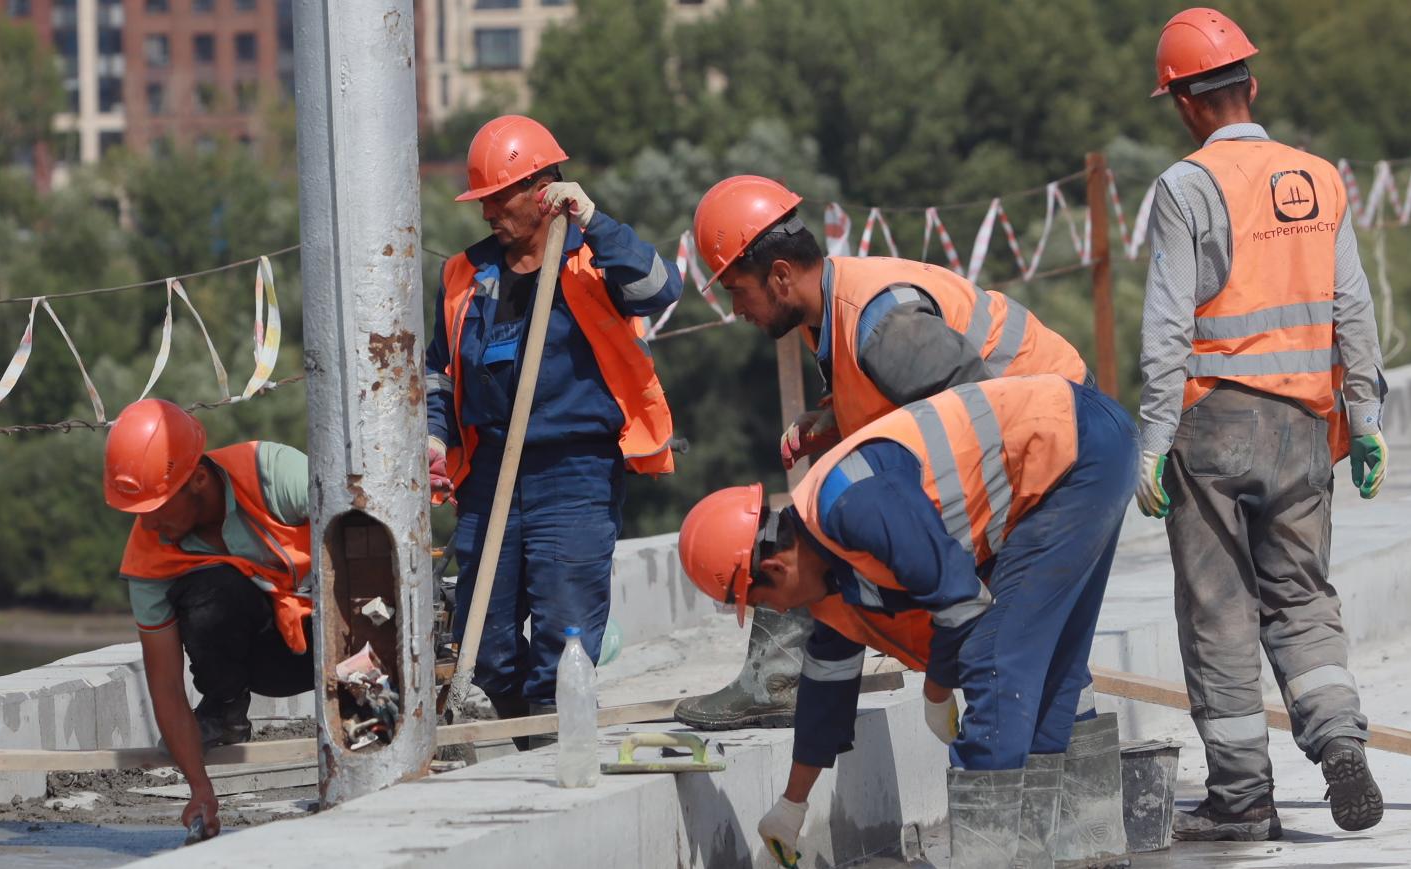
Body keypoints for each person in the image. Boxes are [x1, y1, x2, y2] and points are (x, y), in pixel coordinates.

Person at [673, 175, 1092, 733]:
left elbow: (974, 417)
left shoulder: (881, 326)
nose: (737, 310)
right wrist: (834, 418)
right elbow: (902, 401)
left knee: (1006, 623)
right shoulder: (824, 312)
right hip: (1039, 433)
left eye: (737, 291)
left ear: (778, 277)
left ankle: (786, 679)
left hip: (1056, 441)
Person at [680, 375, 1136, 868]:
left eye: (764, 602)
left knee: (996, 661)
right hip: (1084, 453)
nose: (781, 613)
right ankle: (1088, 850)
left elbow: (962, 603)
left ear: (774, 567)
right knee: (1053, 668)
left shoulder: (853, 507)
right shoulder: (826, 566)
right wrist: (792, 806)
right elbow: (824, 693)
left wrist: (937, 691)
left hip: (1069, 451)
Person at [1134, 7, 1391, 842]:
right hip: (1303, 426)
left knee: (1218, 608)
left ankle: (1241, 798)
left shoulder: (1183, 186)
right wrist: (1365, 414)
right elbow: (1351, 305)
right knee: (1301, 595)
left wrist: (1150, 441)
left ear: (1181, 105)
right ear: (1252, 85)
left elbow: (1167, 325)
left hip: (1211, 422)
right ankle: (1339, 739)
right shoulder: (1318, 176)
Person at [424, 114, 681, 726]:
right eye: (481, 200)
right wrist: (435, 434)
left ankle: (550, 749)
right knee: (485, 641)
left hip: (573, 471)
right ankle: (522, 739)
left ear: (544, 191)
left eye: (498, 198)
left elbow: (658, 288)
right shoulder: (466, 273)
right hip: (488, 474)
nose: (487, 214)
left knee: (564, 635)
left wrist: (593, 221)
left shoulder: (592, 259)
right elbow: (438, 371)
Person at [105, 398, 312, 839]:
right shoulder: (147, 558)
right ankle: (225, 709)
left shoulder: (272, 472)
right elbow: (164, 684)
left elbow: (366, 527)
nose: (148, 525)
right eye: (137, 513)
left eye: (156, 507)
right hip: (272, 662)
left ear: (198, 479)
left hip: (338, 633)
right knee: (208, 592)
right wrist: (199, 787)